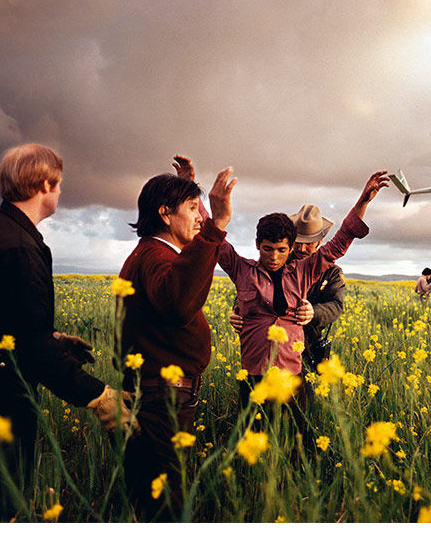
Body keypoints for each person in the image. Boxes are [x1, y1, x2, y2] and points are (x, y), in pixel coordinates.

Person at [0, 143, 132, 520]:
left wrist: (56, 339)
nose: (61, 192)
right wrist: (99, 396)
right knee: (3, 510)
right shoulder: (17, 245)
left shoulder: (0, 230)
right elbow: (28, 347)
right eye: (59, 183)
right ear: (45, 184)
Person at [214, 170, 389, 429]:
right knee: (251, 437)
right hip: (253, 374)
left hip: (294, 370)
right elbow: (214, 241)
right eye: (268, 249)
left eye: (282, 250)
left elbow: (340, 244)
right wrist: (236, 310)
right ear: (258, 244)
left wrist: (362, 202)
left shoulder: (308, 271)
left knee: (295, 438)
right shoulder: (243, 271)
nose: (275, 256)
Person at [117, 156, 236, 522]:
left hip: (158, 395)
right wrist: (216, 225)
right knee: (164, 504)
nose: (199, 217)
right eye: (191, 208)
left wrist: (186, 187)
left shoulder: (155, 253)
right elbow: (178, 301)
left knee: (153, 495)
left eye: (200, 210)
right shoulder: (154, 256)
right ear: (165, 214)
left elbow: (180, 281)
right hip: (162, 400)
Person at [230, 204, 345, 374]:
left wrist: (314, 312)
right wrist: (237, 311)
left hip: (308, 345)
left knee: (302, 397)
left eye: (309, 244)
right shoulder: (278, 261)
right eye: (298, 242)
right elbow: (251, 286)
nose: (302, 249)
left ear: (320, 242)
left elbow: (336, 305)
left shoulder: (332, 272)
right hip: (270, 348)